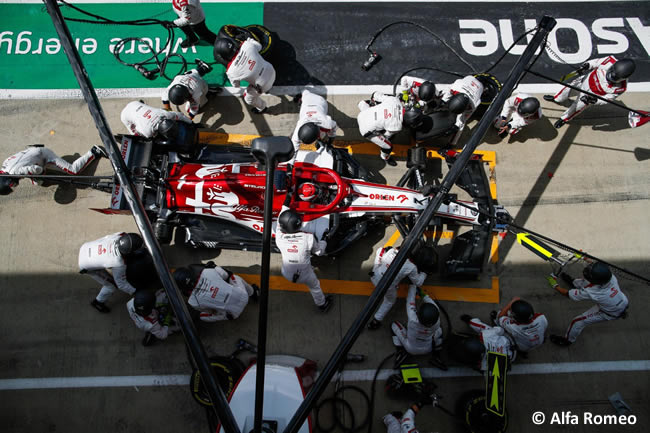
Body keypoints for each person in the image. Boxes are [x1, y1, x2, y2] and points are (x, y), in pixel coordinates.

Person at [546, 262, 628, 346]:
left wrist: (555, 285)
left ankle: (568, 340)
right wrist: (584, 258)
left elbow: (568, 294)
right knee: (586, 282)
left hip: (609, 312)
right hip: (620, 301)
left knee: (577, 321)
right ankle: (573, 282)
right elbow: (597, 268)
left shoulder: (593, 292)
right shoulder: (611, 278)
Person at [544, 57, 635, 128]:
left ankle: (564, 119)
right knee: (566, 90)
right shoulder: (609, 60)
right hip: (583, 81)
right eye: (611, 71)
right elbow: (595, 62)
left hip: (589, 96)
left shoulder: (620, 88)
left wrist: (594, 100)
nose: (611, 76)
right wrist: (586, 65)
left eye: (615, 78)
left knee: (576, 108)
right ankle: (557, 99)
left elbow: (607, 99)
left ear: (623, 78)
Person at [274, 210, 332, 312]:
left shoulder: (279, 238)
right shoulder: (308, 237)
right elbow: (319, 252)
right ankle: (322, 304)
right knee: (315, 287)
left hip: (286, 274)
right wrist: (324, 239)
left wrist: (287, 200)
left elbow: (280, 222)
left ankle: (322, 304)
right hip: (305, 275)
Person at [0, 144, 106, 195]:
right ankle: (34, 147)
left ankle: (94, 152)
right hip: (32, 152)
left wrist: (40, 173)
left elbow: (37, 169)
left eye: (12, 186)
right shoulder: (5, 165)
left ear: (6, 180)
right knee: (39, 183)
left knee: (74, 171)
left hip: (44, 156)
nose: (15, 186)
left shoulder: (17, 173)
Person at [79, 232, 145, 313]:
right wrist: (135, 291)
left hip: (86, 247)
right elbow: (121, 284)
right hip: (86, 265)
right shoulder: (118, 263)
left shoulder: (118, 236)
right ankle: (98, 302)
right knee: (112, 285)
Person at [173, 263, 258, 321]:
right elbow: (226, 275)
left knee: (202, 316)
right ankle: (254, 292)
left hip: (234, 313)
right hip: (244, 295)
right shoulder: (207, 272)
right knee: (234, 277)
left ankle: (226, 316)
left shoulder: (193, 302)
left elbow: (210, 311)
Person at [367, 246, 427, 330]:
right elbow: (418, 282)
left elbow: (381, 251)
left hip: (374, 275)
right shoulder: (411, 267)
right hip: (386, 286)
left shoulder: (392, 250)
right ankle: (376, 320)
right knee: (389, 301)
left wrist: (384, 251)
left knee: (380, 251)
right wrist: (424, 274)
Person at [214, 37, 276, 114]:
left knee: (248, 99)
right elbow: (259, 46)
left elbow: (236, 85)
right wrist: (249, 39)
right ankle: (267, 88)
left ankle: (262, 108)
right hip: (272, 70)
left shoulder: (231, 72)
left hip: (263, 86)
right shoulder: (247, 45)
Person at [391, 285, 444, 365]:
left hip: (410, 348)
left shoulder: (413, 320)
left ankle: (400, 351)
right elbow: (430, 302)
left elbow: (410, 300)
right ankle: (437, 356)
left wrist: (413, 286)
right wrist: (422, 293)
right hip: (428, 348)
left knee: (394, 325)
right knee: (440, 330)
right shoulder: (437, 322)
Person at [357, 91, 404, 166]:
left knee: (363, 103)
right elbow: (387, 136)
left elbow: (375, 94)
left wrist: (375, 102)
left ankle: (362, 105)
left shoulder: (394, 100)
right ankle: (385, 157)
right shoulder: (396, 126)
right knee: (388, 146)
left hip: (363, 113)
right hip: (365, 129)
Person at [290, 90, 338, 155]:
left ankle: (320, 141)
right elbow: (294, 146)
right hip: (311, 99)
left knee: (324, 133)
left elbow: (334, 126)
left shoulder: (326, 123)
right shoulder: (300, 124)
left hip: (321, 102)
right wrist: (290, 163)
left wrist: (331, 138)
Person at [440, 75, 484, 145]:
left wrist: (455, 127)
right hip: (466, 83)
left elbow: (463, 119)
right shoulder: (455, 86)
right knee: (440, 93)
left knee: (460, 125)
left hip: (476, 89)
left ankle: (452, 144)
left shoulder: (473, 105)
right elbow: (448, 92)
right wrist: (443, 101)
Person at [120, 100, 192, 139]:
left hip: (135, 104)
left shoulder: (166, 114)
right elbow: (138, 130)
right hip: (125, 115)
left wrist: (191, 123)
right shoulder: (147, 132)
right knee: (137, 136)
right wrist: (191, 123)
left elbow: (180, 115)